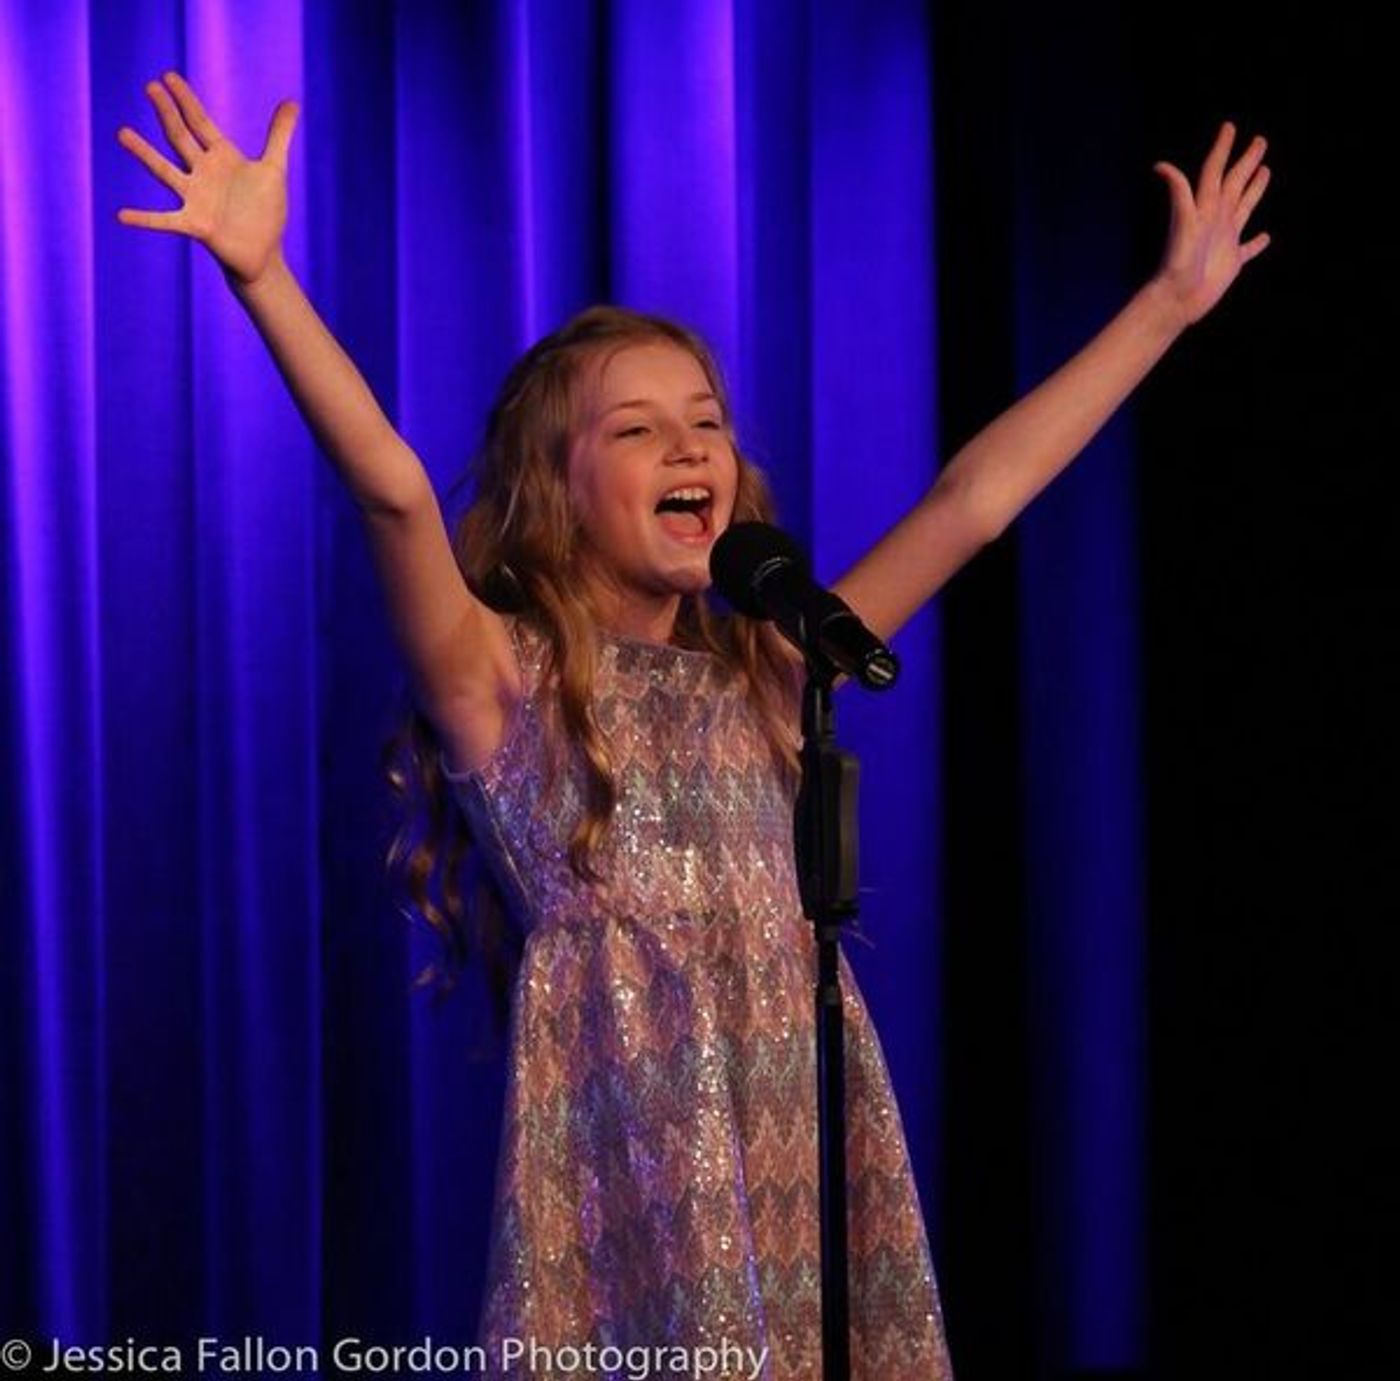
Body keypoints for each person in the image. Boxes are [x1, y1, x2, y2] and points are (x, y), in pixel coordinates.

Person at [116, 71, 1271, 1380]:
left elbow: (971, 502)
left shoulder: (772, 670)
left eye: (707, 424)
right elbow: (393, 490)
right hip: (634, 1168)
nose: (690, 448)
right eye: (639, 429)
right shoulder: (505, 680)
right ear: (558, 486)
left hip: (792, 1132)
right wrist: (264, 276)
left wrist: (1167, 306)